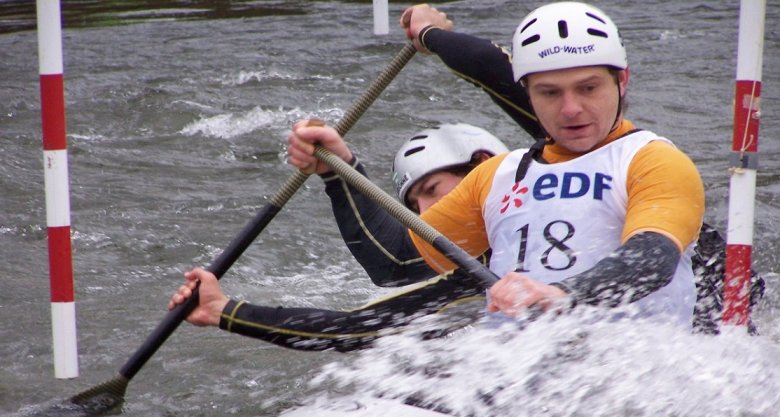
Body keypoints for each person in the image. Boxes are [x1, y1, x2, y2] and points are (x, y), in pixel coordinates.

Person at [292, 1, 706, 328]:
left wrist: (560, 294)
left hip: (624, 380)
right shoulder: (499, 174)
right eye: (548, 93)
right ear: (527, 92)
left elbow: (651, 258)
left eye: (589, 87)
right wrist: (339, 169)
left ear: (622, 80)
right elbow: (397, 261)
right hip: (518, 376)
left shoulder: (654, 161)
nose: (571, 109)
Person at [168, 124, 507, 351]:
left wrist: (434, 37)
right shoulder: (478, 267)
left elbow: (391, 270)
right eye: (416, 207)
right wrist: (225, 311)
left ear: (482, 165)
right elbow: (360, 323)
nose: (426, 215)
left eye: (432, 191)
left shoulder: (505, 253)